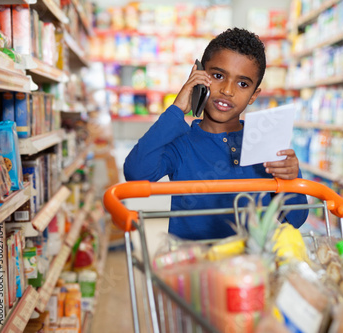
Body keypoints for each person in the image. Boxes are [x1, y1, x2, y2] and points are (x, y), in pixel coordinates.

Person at [124, 28, 308, 240]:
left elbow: (295, 219)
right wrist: (176, 110)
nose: (228, 90)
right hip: (192, 265)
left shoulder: (265, 142)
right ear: (198, 76)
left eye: (243, 84)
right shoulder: (181, 142)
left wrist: (291, 179)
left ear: (253, 95)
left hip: (252, 267)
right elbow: (136, 174)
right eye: (218, 76)